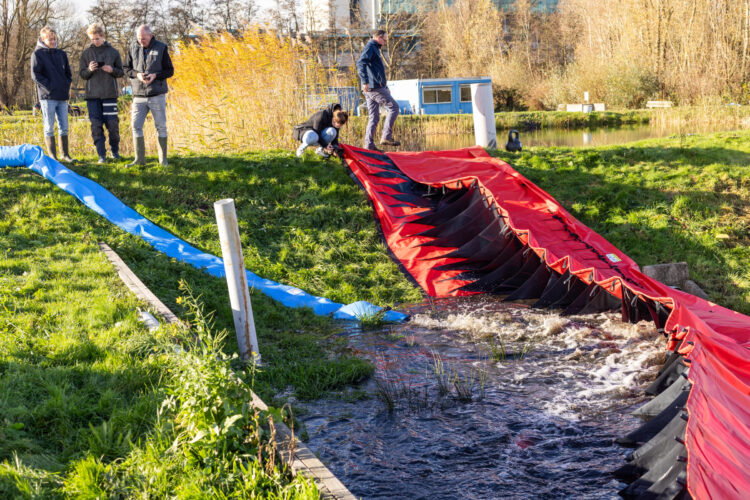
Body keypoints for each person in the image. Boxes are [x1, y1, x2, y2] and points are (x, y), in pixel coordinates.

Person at [123, 24, 174, 166]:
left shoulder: (161, 47)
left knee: (161, 126)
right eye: (139, 38)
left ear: (150, 36)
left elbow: (170, 70)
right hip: (138, 95)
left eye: (144, 38)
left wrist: (155, 76)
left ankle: (163, 160)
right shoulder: (132, 47)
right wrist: (137, 75)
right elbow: (126, 68)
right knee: (135, 126)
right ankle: (139, 160)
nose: (141, 41)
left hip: (156, 94)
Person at [79, 23, 124, 163]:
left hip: (109, 94)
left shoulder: (114, 52)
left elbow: (121, 72)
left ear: (103, 36)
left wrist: (112, 70)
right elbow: (82, 75)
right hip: (92, 97)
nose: (95, 42)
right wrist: (90, 70)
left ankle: (114, 151)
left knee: (113, 125)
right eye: (92, 39)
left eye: (97, 39)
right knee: (96, 126)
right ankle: (101, 155)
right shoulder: (86, 54)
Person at [31, 26, 73, 162]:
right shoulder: (37, 54)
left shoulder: (61, 54)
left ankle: (65, 155)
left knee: (64, 127)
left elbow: (68, 73)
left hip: (62, 96)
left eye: (54, 39)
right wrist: (50, 86)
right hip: (47, 97)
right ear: (43, 39)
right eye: (50, 39)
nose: (53, 41)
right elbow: (35, 75)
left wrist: (66, 85)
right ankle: (53, 157)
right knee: (49, 127)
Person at [356, 29, 400, 151]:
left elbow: (376, 71)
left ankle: (369, 146)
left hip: (373, 87)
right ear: (379, 38)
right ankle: (386, 136)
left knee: (374, 117)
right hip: (374, 87)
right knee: (394, 108)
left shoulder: (374, 48)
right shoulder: (371, 47)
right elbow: (360, 63)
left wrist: (385, 86)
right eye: (384, 40)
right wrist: (365, 81)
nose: (385, 43)